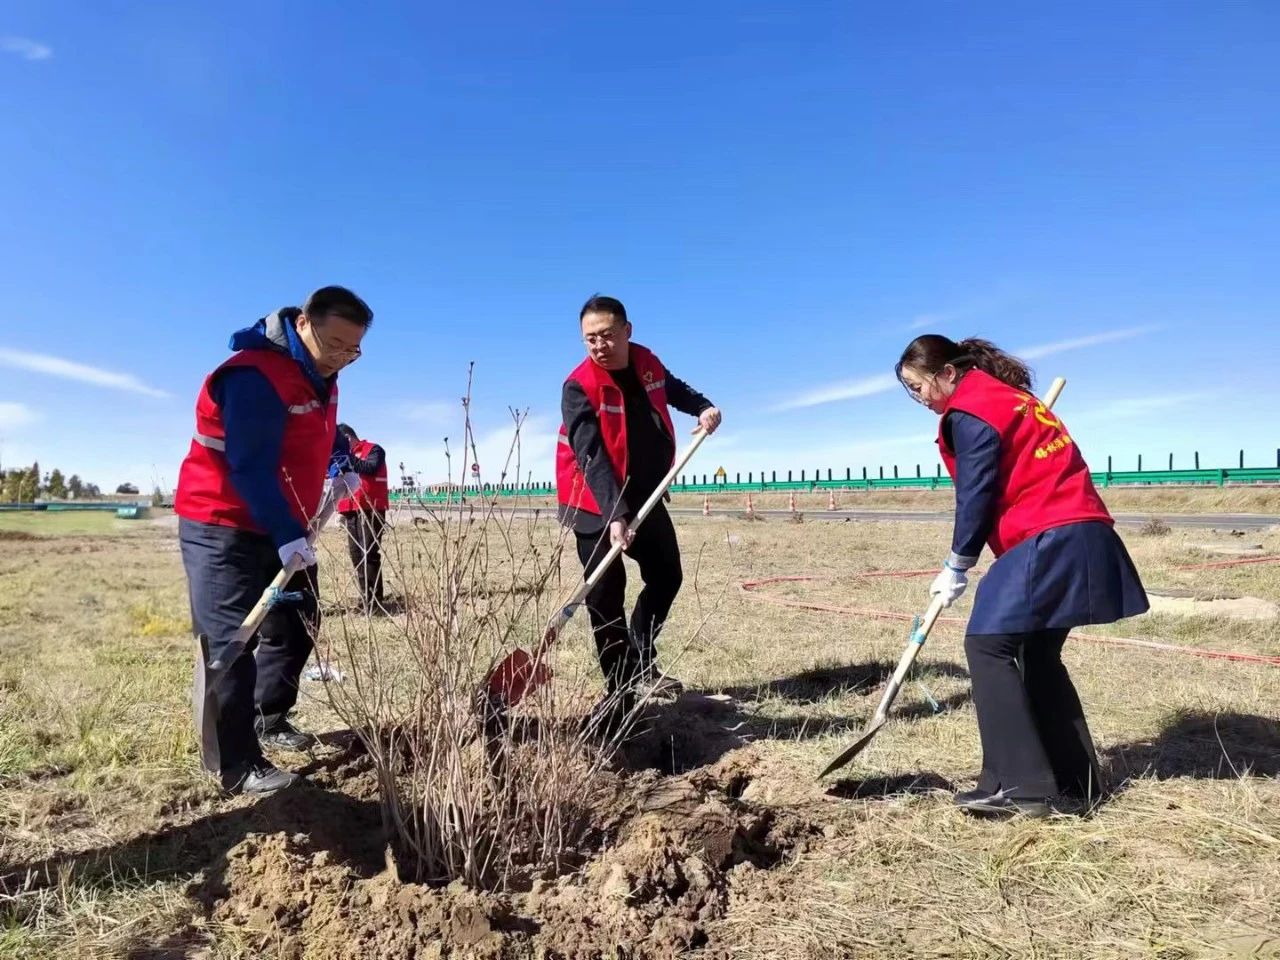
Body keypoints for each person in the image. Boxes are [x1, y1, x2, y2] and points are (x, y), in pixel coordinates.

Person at [895, 334, 1147, 818]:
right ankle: (1078, 781)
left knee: (988, 645)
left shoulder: (972, 410)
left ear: (947, 372)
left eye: (918, 386)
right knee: (1035, 652)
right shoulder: (1013, 400)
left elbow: (977, 492)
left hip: (1050, 534)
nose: (920, 398)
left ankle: (1019, 787)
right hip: (1082, 530)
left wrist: (957, 564)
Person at [175, 286, 372, 794]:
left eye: (353, 349)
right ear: (303, 323)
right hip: (226, 528)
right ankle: (235, 765)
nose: (343, 359)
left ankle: (269, 718)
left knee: (295, 623)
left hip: (285, 527)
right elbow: (250, 463)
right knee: (233, 641)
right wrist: (286, 534)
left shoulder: (320, 373)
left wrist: (338, 465)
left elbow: (315, 430)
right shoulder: (254, 376)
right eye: (334, 344)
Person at [557, 294, 721, 722]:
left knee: (667, 575)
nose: (599, 345)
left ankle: (641, 655)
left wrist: (703, 407)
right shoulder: (579, 386)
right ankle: (621, 695)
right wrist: (615, 513)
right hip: (594, 503)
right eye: (590, 339)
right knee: (605, 600)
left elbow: (674, 389)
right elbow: (590, 456)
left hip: (646, 495)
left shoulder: (646, 362)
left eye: (607, 335)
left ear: (628, 331)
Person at [335, 423, 389, 612]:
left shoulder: (373, 450)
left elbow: (371, 468)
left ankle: (374, 602)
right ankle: (365, 598)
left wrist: (346, 457)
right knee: (357, 555)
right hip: (351, 510)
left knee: (369, 553)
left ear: (348, 438)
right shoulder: (339, 456)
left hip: (371, 508)